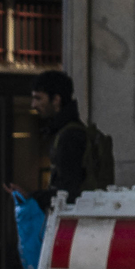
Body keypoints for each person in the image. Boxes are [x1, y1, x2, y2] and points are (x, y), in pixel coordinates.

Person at [30, 69, 86, 207]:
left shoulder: (69, 136)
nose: (33, 105)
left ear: (56, 100)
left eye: (38, 98)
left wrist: (32, 197)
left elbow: (68, 192)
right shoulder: (68, 131)